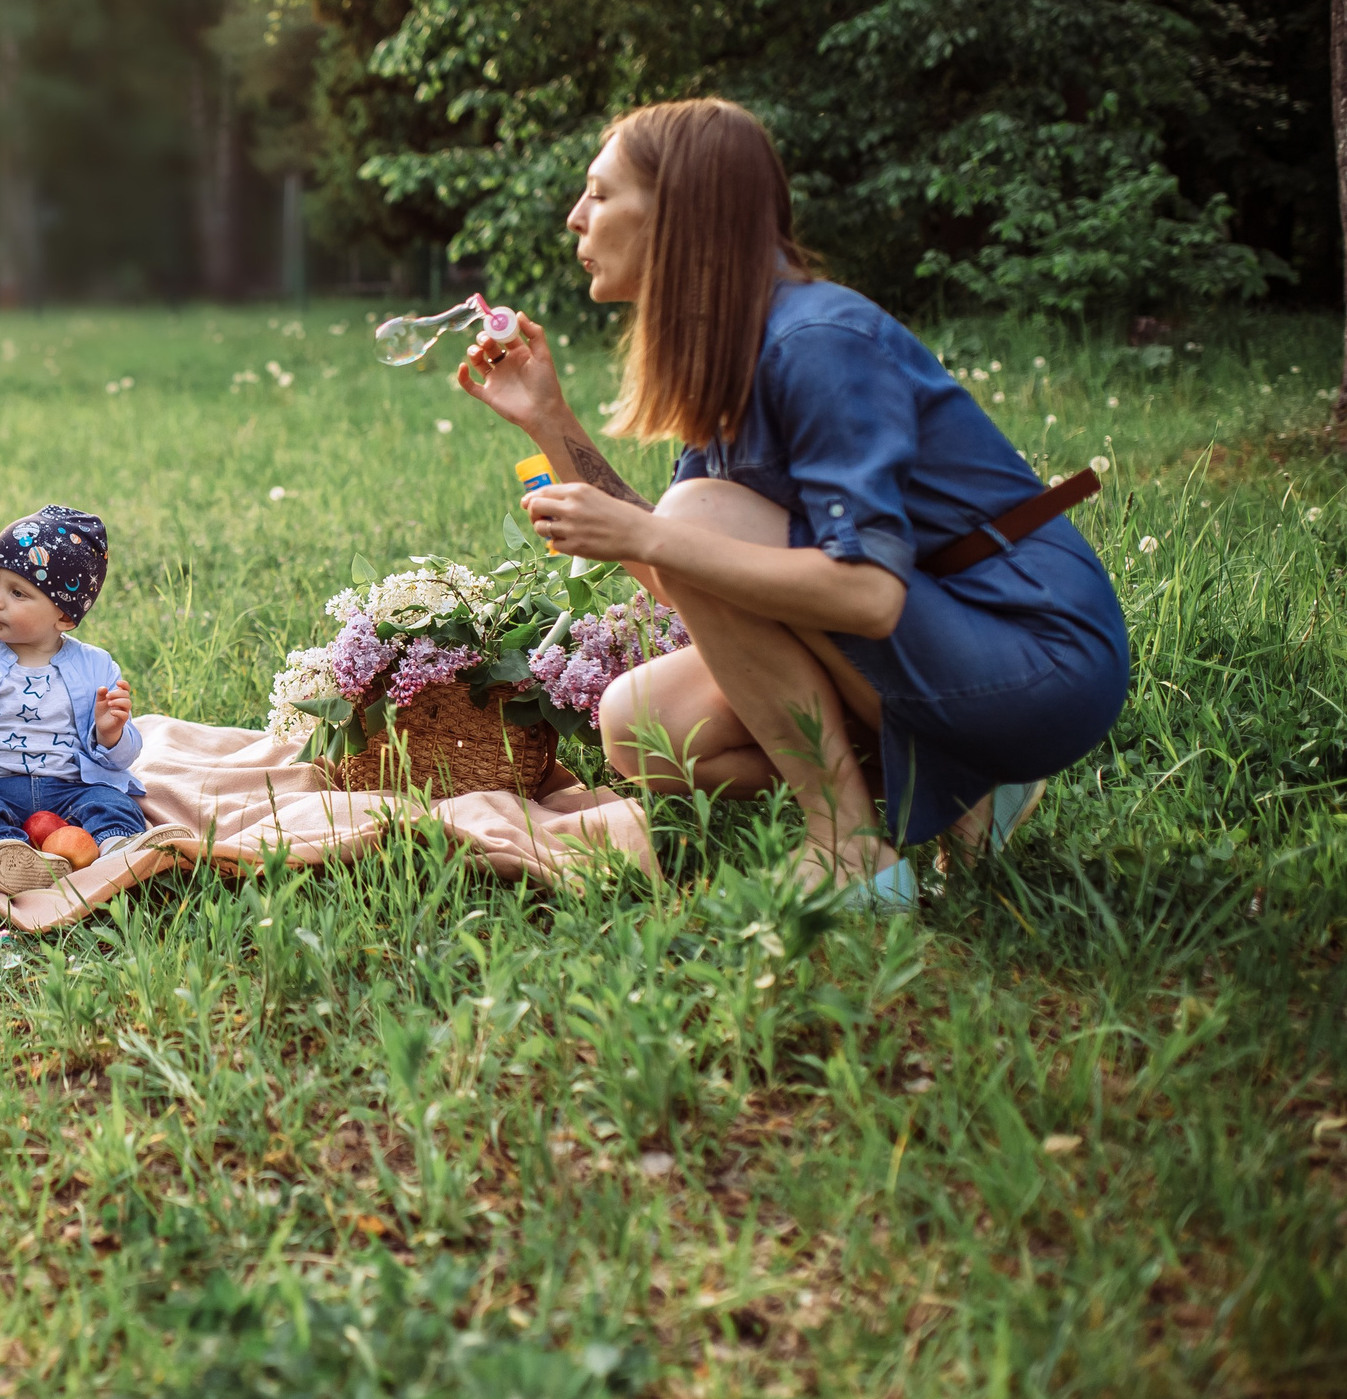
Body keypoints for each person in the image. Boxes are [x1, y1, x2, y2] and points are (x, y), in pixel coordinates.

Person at [457, 97, 1128, 909]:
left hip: (1041, 658)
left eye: (599, 193)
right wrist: (549, 419)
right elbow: (684, 578)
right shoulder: (731, 355)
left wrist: (651, 532)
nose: (575, 216)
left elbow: (868, 596)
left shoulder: (818, 341)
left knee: (692, 519)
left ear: (680, 211)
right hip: (946, 645)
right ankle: (968, 791)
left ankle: (850, 847)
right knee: (642, 722)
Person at [0, 504, 186, 893]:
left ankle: (120, 846)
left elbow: (121, 760)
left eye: (17, 592)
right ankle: (4, 854)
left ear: (64, 616)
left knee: (110, 802)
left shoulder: (96, 666)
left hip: (70, 788)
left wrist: (111, 733)